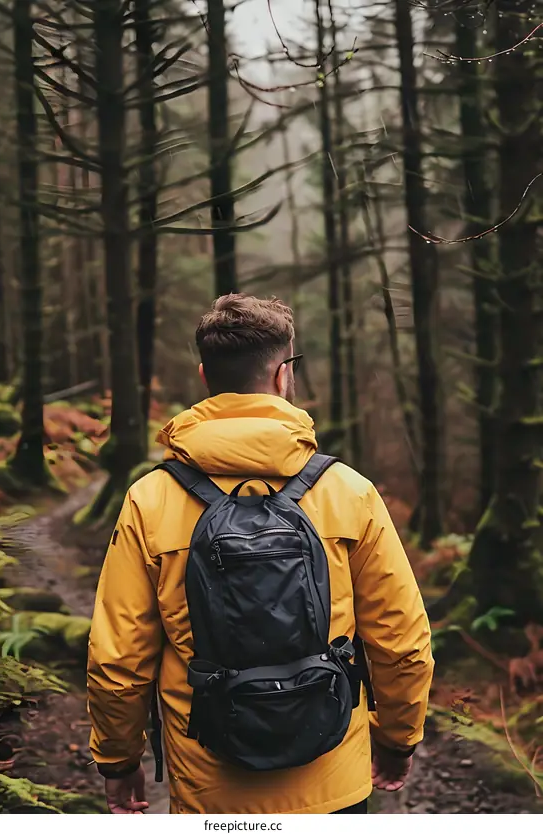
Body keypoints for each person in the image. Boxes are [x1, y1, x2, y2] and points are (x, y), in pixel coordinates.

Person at [87, 293, 434, 815]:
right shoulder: (348, 490)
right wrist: (397, 738)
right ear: (282, 376)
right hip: (332, 775)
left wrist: (118, 761)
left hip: (211, 787)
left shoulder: (150, 498)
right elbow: (402, 641)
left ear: (206, 377)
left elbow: (118, 660)